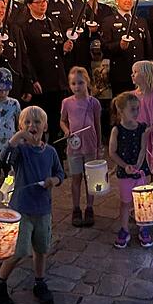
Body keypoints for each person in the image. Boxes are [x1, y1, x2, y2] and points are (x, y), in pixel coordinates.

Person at [0, 106, 65, 304]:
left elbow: (60, 173)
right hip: (21, 210)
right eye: (27, 123)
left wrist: (53, 180)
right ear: (21, 127)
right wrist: (17, 137)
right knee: (18, 251)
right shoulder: (20, 152)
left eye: (37, 122)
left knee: (41, 248)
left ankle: (39, 282)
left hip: (43, 209)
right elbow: (3, 158)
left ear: (45, 126)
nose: (32, 126)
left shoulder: (50, 152)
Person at [20, 0, 69, 148]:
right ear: (29, 5)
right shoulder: (24, 26)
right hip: (41, 79)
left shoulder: (52, 21)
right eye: (38, 2)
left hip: (57, 78)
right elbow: (25, 56)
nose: (43, 5)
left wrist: (65, 47)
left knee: (57, 120)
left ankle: (56, 152)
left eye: (44, 2)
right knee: (40, 120)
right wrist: (32, 79)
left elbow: (57, 47)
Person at [60, 67, 102, 227]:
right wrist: (66, 130)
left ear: (87, 83)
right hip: (74, 147)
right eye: (73, 83)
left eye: (80, 83)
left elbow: (97, 124)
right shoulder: (67, 103)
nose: (76, 86)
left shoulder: (94, 103)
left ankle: (90, 207)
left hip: (90, 145)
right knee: (76, 178)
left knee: (90, 179)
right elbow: (62, 120)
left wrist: (98, 146)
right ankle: (76, 208)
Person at [109, 92, 151, 248]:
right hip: (124, 172)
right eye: (132, 109)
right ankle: (124, 229)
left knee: (142, 201)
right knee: (126, 202)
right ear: (121, 110)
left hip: (140, 171)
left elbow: (143, 149)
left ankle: (143, 228)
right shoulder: (117, 130)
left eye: (137, 109)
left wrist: (138, 166)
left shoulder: (142, 128)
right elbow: (112, 152)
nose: (136, 112)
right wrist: (125, 165)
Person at [100, 0, 153, 95]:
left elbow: (148, 47)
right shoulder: (109, 21)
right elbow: (104, 48)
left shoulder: (141, 21)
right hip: (121, 74)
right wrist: (119, 46)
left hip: (140, 74)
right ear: (117, 0)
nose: (128, 1)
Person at [45, 0, 95, 73]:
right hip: (63, 58)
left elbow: (87, 23)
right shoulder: (47, 5)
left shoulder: (78, 3)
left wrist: (91, 29)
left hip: (82, 57)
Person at [132, 60, 153, 179]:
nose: (132, 75)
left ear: (145, 75)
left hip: (152, 136)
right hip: (137, 136)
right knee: (138, 167)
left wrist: (148, 130)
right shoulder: (132, 96)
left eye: (135, 72)